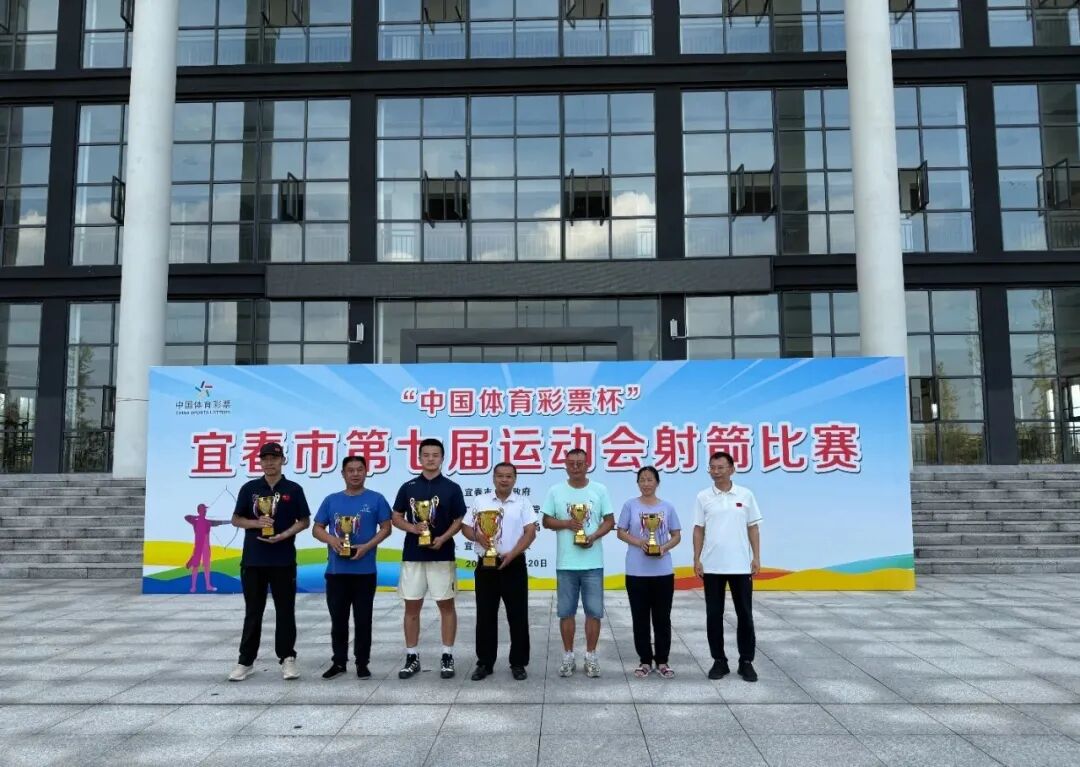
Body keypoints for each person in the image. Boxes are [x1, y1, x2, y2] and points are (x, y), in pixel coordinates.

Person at [227, 442, 311, 682]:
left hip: (283, 560)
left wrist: (284, 535)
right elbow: (236, 519)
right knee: (253, 612)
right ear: (260, 462)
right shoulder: (250, 488)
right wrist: (257, 523)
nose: (269, 462)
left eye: (274, 458)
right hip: (254, 560)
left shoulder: (293, 489)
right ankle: (245, 661)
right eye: (265, 458)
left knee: (285, 611)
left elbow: (304, 520)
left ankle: (287, 658)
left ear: (282, 460)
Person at [391, 437, 467, 680]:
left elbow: (459, 519)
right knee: (412, 607)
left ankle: (447, 656)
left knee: (446, 606)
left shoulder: (452, 488)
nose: (431, 459)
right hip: (413, 555)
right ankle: (411, 656)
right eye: (426, 455)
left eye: (435, 455)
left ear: (442, 458)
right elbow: (396, 516)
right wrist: (413, 528)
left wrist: (443, 538)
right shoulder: (408, 487)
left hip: (442, 555)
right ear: (419, 458)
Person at [312, 455, 393, 680]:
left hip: (364, 572)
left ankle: (362, 663)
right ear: (343, 474)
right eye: (351, 470)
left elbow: (386, 528)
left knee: (363, 620)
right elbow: (317, 528)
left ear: (366, 472)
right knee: (338, 620)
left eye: (359, 469)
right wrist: (332, 539)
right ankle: (338, 662)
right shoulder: (331, 500)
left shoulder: (376, 499)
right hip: (336, 572)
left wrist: (367, 547)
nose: (355, 474)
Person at [541, 447, 615, 679]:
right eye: (571, 463)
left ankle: (591, 656)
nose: (575, 467)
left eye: (580, 463)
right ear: (565, 465)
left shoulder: (599, 490)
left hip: (593, 564)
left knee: (594, 613)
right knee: (566, 613)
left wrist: (593, 536)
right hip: (566, 564)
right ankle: (568, 656)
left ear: (587, 465)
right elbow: (546, 521)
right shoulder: (555, 491)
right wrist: (567, 524)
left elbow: (609, 521)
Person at [461, 462, 536, 682]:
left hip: (514, 564)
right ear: (493, 478)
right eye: (500, 476)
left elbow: (530, 532)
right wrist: (477, 535)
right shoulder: (480, 501)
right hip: (486, 564)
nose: (504, 480)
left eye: (509, 476)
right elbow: (465, 527)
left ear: (515, 479)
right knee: (485, 615)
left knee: (518, 615)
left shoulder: (523, 502)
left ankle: (518, 663)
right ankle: (485, 663)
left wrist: (513, 554)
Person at [693, 450, 762, 683]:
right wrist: (696, 558)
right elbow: (698, 529)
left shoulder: (745, 494)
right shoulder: (703, 497)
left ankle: (746, 662)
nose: (716, 471)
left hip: (741, 565)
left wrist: (756, 557)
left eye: (721, 467)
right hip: (712, 566)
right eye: (712, 467)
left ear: (732, 469)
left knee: (745, 614)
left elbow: (753, 527)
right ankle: (719, 661)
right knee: (714, 615)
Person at [616, 466, 682, 679]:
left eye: (650, 479)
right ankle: (645, 660)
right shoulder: (630, 505)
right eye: (642, 480)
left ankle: (662, 661)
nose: (646, 483)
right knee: (640, 618)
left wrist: (664, 547)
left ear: (657, 482)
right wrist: (639, 542)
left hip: (663, 572)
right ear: (638, 483)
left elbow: (676, 535)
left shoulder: (667, 507)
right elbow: (620, 532)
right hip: (636, 572)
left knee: (662, 618)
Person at [184, 502, 230, 593]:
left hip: (205, 546)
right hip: (199, 546)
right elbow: (186, 517)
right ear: (199, 511)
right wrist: (198, 517)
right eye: (203, 510)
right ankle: (193, 587)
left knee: (207, 566)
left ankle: (208, 586)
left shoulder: (207, 522)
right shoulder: (195, 521)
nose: (205, 511)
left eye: (205, 510)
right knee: (195, 566)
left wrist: (230, 521)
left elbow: (219, 522)